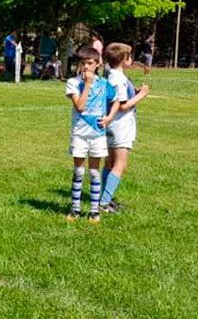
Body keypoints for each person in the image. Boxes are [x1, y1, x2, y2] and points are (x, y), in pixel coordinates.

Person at [64, 46, 120, 223]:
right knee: (78, 171)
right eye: (83, 63)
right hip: (80, 134)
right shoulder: (73, 83)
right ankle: (75, 209)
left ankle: (94, 211)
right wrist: (87, 85)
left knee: (94, 172)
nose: (86, 67)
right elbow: (80, 106)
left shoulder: (104, 83)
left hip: (97, 134)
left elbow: (117, 100)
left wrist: (109, 118)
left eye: (89, 63)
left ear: (97, 64)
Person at [100, 43, 150, 213]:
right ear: (123, 59)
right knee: (120, 165)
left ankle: (105, 198)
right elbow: (122, 105)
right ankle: (104, 203)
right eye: (130, 56)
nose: (132, 59)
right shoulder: (118, 79)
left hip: (111, 125)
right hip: (119, 126)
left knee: (109, 163)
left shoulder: (113, 75)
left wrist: (133, 92)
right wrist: (141, 95)